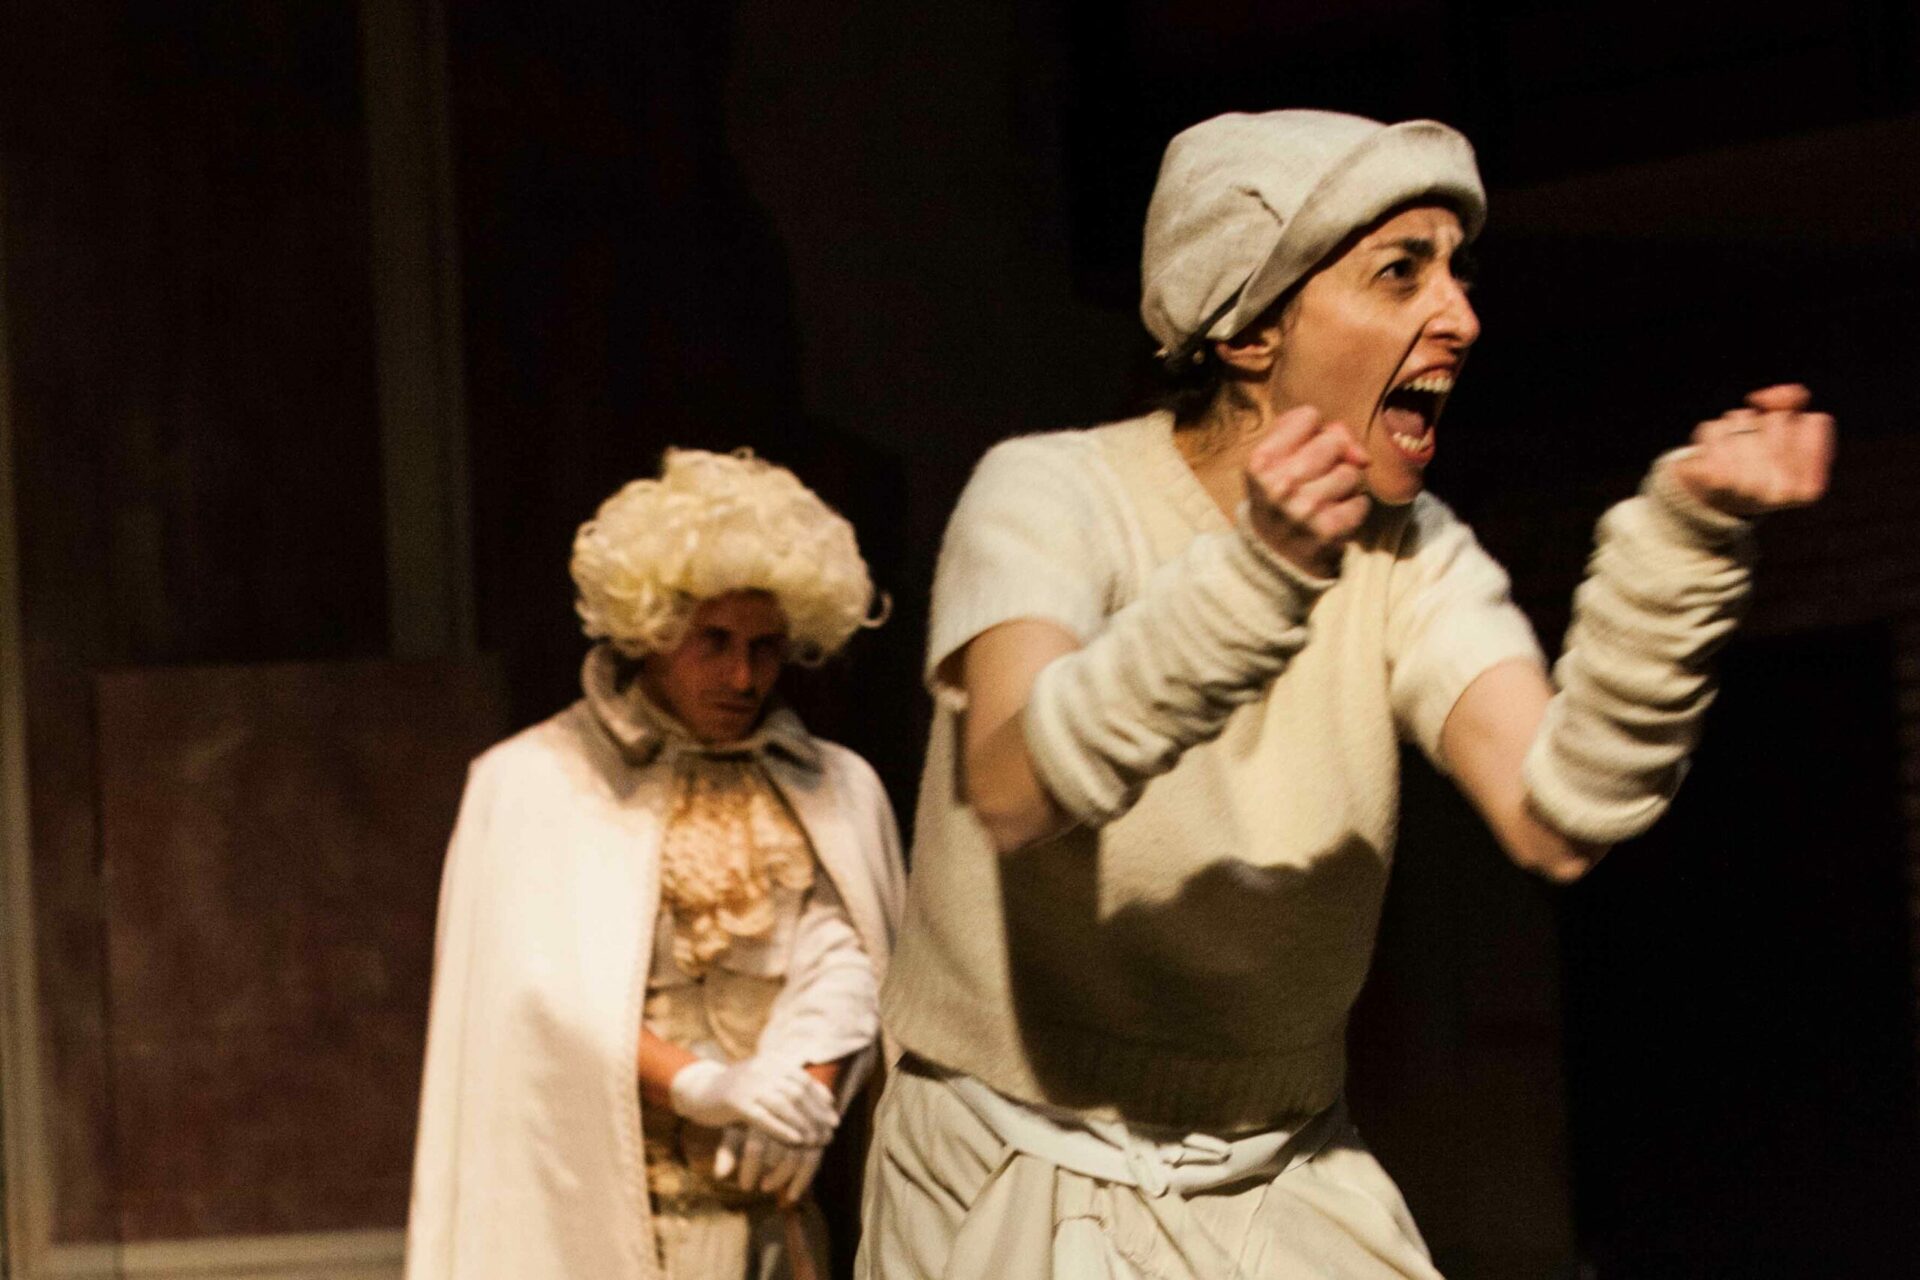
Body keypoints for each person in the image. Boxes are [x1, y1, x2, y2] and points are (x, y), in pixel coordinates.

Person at [857, 110, 1833, 1279]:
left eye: (1458, 271)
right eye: (1400, 271)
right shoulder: (1051, 493)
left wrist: (1689, 537)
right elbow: (1011, 785)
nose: (1460, 315)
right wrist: (1253, 581)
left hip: (1282, 1176)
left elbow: (1559, 811)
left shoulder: (1409, 549)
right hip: (1007, 1170)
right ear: (1250, 330)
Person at [406, 449, 905, 1280]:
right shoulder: (533, 782)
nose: (743, 676)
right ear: (654, 632)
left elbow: (852, 955)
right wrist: (698, 1084)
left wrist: (808, 1086)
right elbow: (531, 998)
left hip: (781, 1223)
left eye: (766, 647)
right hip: (610, 1225)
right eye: (714, 641)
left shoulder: (835, 788)